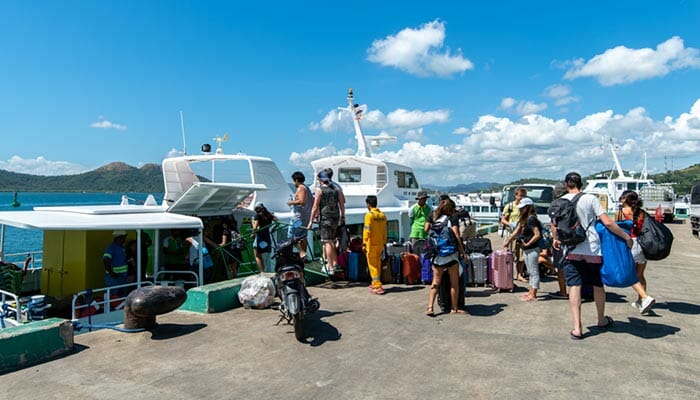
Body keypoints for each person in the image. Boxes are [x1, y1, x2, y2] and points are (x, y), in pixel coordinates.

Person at [552, 172, 633, 340]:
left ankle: (577, 328)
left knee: (574, 286)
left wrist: (555, 239)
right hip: (592, 249)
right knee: (597, 285)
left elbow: (554, 225)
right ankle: (601, 319)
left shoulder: (560, 201)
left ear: (567, 184)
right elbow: (608, 222)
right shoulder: (590, 199)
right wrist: (626, 237)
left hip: (571, 250)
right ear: (580, 183)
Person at [616, 190, 656, 314]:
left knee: (629, 274)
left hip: (630, 243)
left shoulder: (621, 213)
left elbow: (617, 229)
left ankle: (644, 297)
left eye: (622, 197)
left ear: (625, 199)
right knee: (640, 275)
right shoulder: (641, 213)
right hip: (642, 244)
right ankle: (640, 302)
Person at [426, 200, 467, 316]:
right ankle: (454, 308)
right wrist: (462, 251)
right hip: (451, 256)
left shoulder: (435, 219)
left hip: (438, 256)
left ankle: (430, 307)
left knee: (435, 282)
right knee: (454, 283)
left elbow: (426, 230)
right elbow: (457, 235)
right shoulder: (452, 218)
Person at [503, 197, 542, 301]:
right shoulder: (524, 218)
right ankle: (530, 292)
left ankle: (533, 294)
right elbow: (516, 231)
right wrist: (508, 240)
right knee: (530, 270)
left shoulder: (531, 218)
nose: (521, 210)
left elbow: (537, 234)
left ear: (528, 207)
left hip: (532, 248)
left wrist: (527, 243)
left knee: (534, 271)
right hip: (527, 248)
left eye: (523, 208)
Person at [308, 170, 344, 275]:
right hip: (335, 218)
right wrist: (343, 216)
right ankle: (335, 263)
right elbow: (342, 203)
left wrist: (310, 221)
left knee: (327, 242)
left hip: (325, 218)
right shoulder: (336, 189)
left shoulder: (320, 190)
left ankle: (330, 267)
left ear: (320, 179)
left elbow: (315, 206)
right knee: (332, 241)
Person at [501, 187, 527, 282]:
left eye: (523, 196)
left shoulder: (525, 207)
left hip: (521, 234)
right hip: (510, 233)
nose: (521, 198)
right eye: (520, 195)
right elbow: (503, 220)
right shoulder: (510, 206)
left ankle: (519, 274)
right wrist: (511, 224)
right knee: (509, 255)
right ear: (515, 195)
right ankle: (508, 275)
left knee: (521, 256)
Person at [363, 195, 388, 295]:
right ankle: (375, 282)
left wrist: (364, 243)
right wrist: (384, 242)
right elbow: (385, 231)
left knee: (372, 265)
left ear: (368, 205)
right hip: (380, 244)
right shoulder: (382, 215)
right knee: (378, 263)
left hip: (371, 244)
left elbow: (367, 230)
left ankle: (377, 286)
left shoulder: (369, 215)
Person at [288, 171, 313, 259]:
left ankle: (302, 253)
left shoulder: (301, 188)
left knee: (291, 236)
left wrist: (291, 202)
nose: (294, 183)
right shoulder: (307, 188)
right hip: (306, 216)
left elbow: (301, 201)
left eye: (294, 181)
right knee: (303, 236)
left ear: (297, 180)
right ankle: (304, 255)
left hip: (298, 217)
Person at [252, 202, 277, 273]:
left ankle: (262, 272)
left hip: (259, 237)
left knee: (257, 255)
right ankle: (268, 271)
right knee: (266, 256)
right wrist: (273, 229)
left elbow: (255, 227)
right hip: (266, 237)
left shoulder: (257, 216)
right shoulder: (269, 215)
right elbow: (277, 222)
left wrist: (252, 233)